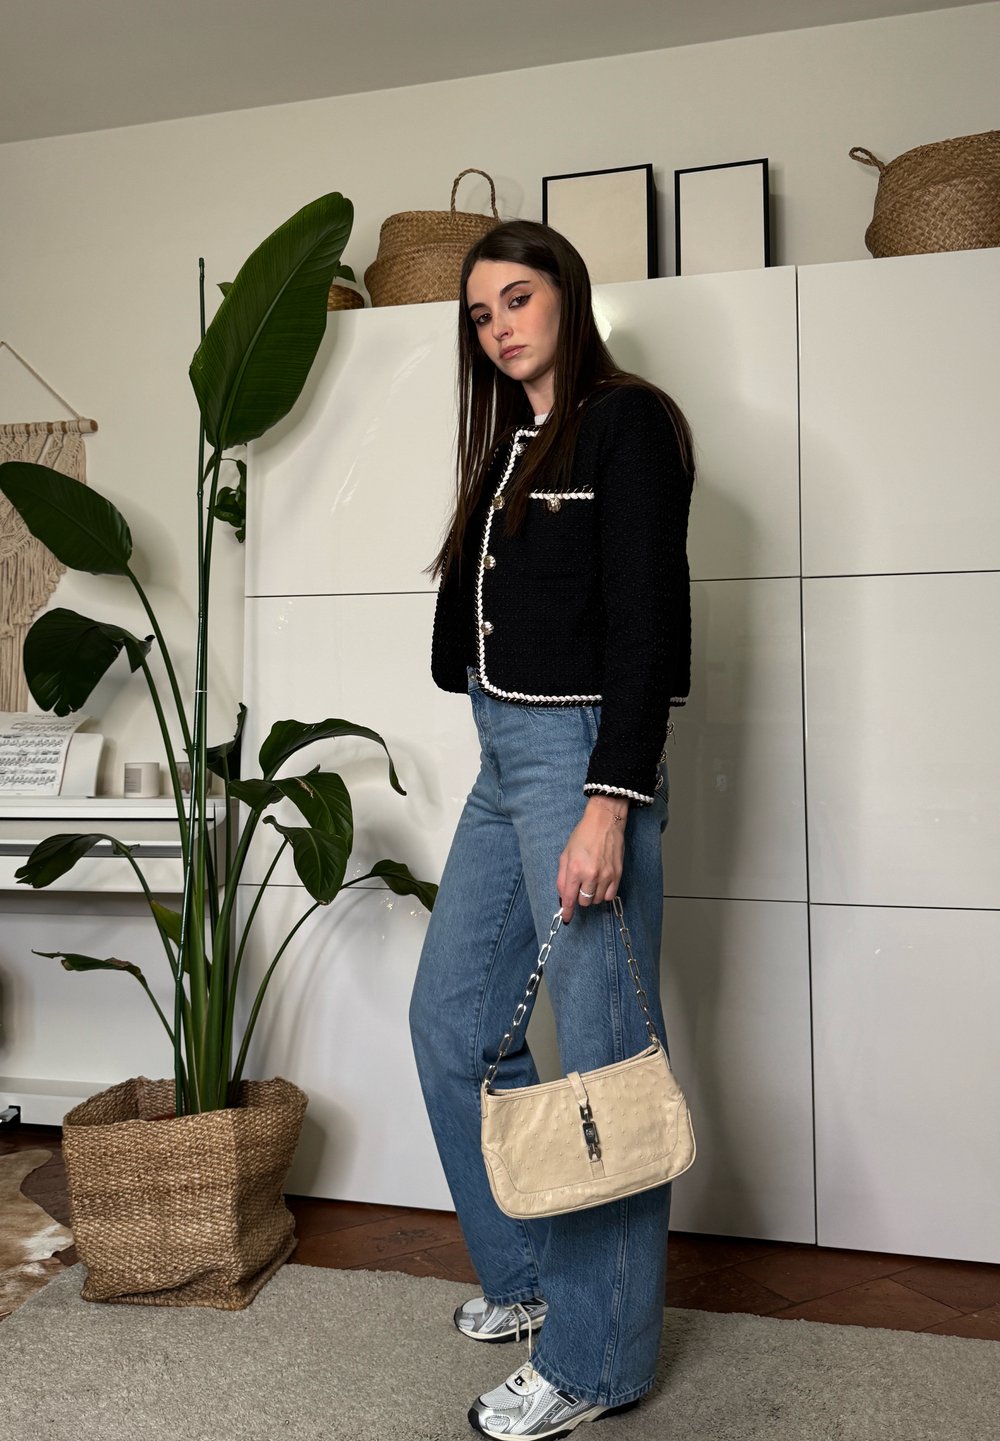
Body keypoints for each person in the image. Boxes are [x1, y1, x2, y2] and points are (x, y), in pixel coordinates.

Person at [409, 220, 694, 1440]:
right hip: (502, 752)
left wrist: (608, 798)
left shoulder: (628, 423)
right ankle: (531, 1273)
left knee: (604, 1062)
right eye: (480, 314)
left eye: (517, 299)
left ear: (567, 296)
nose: (500, 327)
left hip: (581, 758)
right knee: (453, 1024)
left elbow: (646, 620)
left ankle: (594, 1359)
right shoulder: (510, 440)